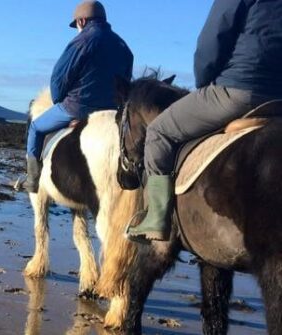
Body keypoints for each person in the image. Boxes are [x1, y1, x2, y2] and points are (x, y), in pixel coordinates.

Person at [127, 0, 282, 242]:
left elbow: (212, 42)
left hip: (238, 90)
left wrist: (203, 82)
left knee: (159, 131)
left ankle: (156, 218)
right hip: (278, 100)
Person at [23, 0, 133, 193]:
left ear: (82, 21)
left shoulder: (81, 41)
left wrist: (59, 101)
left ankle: (32, 180)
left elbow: (59, 78)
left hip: (77, 107)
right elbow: (126, 83)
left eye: (76, 25)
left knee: (36, 128)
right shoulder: (123, 46)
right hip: (112, 110)